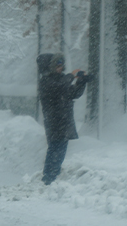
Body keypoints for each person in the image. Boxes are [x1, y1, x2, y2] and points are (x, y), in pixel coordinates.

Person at [37, 53, 90, 185]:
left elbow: (73, 93)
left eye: (61, 65)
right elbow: (59, 87)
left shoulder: (61, 79)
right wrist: (72, 75)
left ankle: (53, 175)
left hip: (64, 120)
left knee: (61, 149)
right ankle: (48, 177)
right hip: (54, 120)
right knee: (54, 148)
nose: (61, 68)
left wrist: (81, 81)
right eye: (58, 65)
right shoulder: (46, 81)